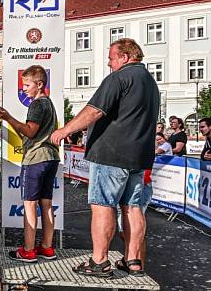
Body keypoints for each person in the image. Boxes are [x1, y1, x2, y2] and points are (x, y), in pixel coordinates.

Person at [51, 38, 159, 277]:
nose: (109, 64)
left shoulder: (119, 78)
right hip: (139, 156)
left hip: (111, 153)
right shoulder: (151, 82)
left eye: (111, 58)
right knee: (133, 207)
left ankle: (99, 261)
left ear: (125, 57)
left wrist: (65, 130)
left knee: (102, 206)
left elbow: (94, 110)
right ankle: (132, 261)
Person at [0, 65, 60, 263]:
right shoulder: (49, 103)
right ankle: (47, 247)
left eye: (27, 85)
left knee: (30, 205)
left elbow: (30, 131)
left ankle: (28, 250)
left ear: (39, 84)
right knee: (47, 203)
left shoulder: (36, 104)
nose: (23, 89)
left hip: (35, 159)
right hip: (51, 157)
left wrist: (8, 118)